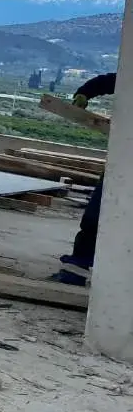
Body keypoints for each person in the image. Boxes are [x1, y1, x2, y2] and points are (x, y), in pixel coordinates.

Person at [55, 71, 114, 286]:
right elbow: (107, 82)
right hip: (123, 162)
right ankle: (76, 270)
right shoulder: (129, 77)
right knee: (95, 217)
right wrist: (84, 93)